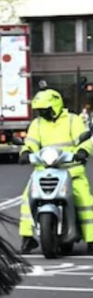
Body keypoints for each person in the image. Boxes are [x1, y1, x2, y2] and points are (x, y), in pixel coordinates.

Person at [18, 88, 93, 254]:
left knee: (84, 199)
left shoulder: (73, 121)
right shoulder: (37, 124)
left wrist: (83, 151)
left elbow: (85, 140)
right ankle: (27, 238)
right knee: (26, 199)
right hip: (44, 170)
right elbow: (30, 142)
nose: (42, 113)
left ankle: (91, 239)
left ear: (55, 106)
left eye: (45, 109)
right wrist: (25, 152)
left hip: (71, 171)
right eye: (40, 110)